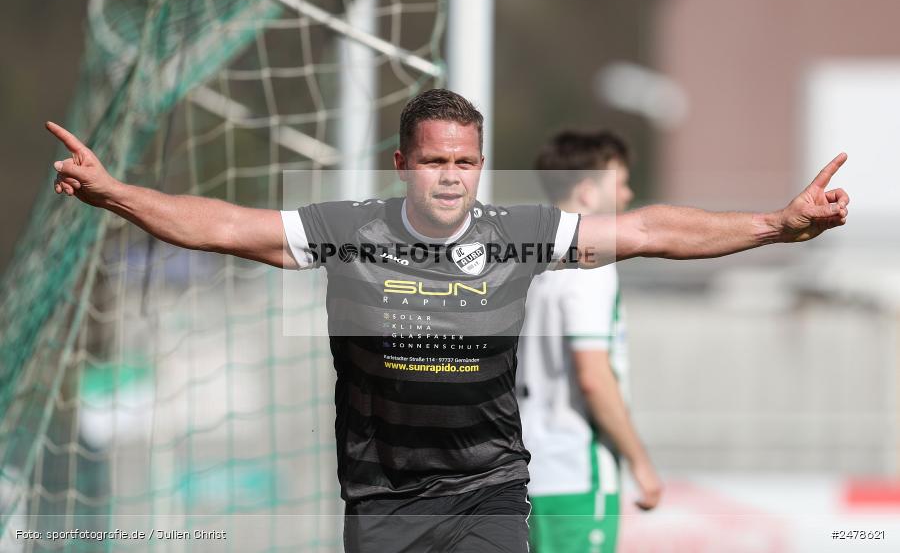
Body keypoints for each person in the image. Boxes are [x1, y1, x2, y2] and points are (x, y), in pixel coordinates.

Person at [47, 88, 849, 553]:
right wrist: (115, 192)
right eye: (435, 160)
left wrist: (777, 224)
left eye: (465, 161)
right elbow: (221, 225)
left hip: (488, 489)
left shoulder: (521, 233)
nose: (452, 177)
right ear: (403, 163)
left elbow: (648, 232)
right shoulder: (347, 229)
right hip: (381, 499)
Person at [518, 130, 660, 553]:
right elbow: (594, 375)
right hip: (576, 471)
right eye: (619, 183)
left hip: (522, 468)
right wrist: (640, 462)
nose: (629, 193)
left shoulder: (526, 261)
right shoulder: (592, 265)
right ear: (586, 192)